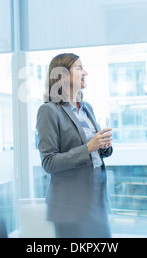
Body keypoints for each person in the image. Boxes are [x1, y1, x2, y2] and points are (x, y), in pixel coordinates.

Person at [36, 53, 113, 238]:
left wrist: (103, 146)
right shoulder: (49, 110)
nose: (85, 72)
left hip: (97, 198)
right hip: (70, 205)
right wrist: (88, 148)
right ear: (62, 75)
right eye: (79, 68)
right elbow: (49, 162)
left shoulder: (87, 108)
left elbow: (96, 152)